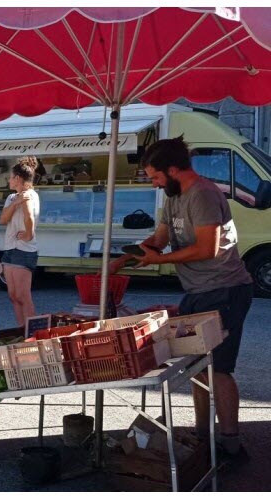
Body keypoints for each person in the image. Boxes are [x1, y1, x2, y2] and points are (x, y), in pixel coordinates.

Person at [108, 136, 253, 462]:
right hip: (198, 291)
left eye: (157, 177)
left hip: (226, 290)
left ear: (173, 170)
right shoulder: (174, 197)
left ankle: (232, 445)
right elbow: (159, 239)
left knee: (219, 370)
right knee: (198, 368)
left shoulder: (202, 194)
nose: (155, 184)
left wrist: (156, 261)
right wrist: (124, 257)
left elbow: (207, 249)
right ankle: (205, 437)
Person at [0, 157, 40, 326]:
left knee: (23, 295)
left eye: (11, 177)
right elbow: (3, 219)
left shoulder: (30, 195)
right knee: (13, 295)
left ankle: (32, 334)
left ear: (18, 178)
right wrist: (15, 203)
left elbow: (29, 216)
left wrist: (29, 233)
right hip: (10, 249)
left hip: (23, 251)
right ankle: (21, 329)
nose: (9, 180)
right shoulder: (12, 197)